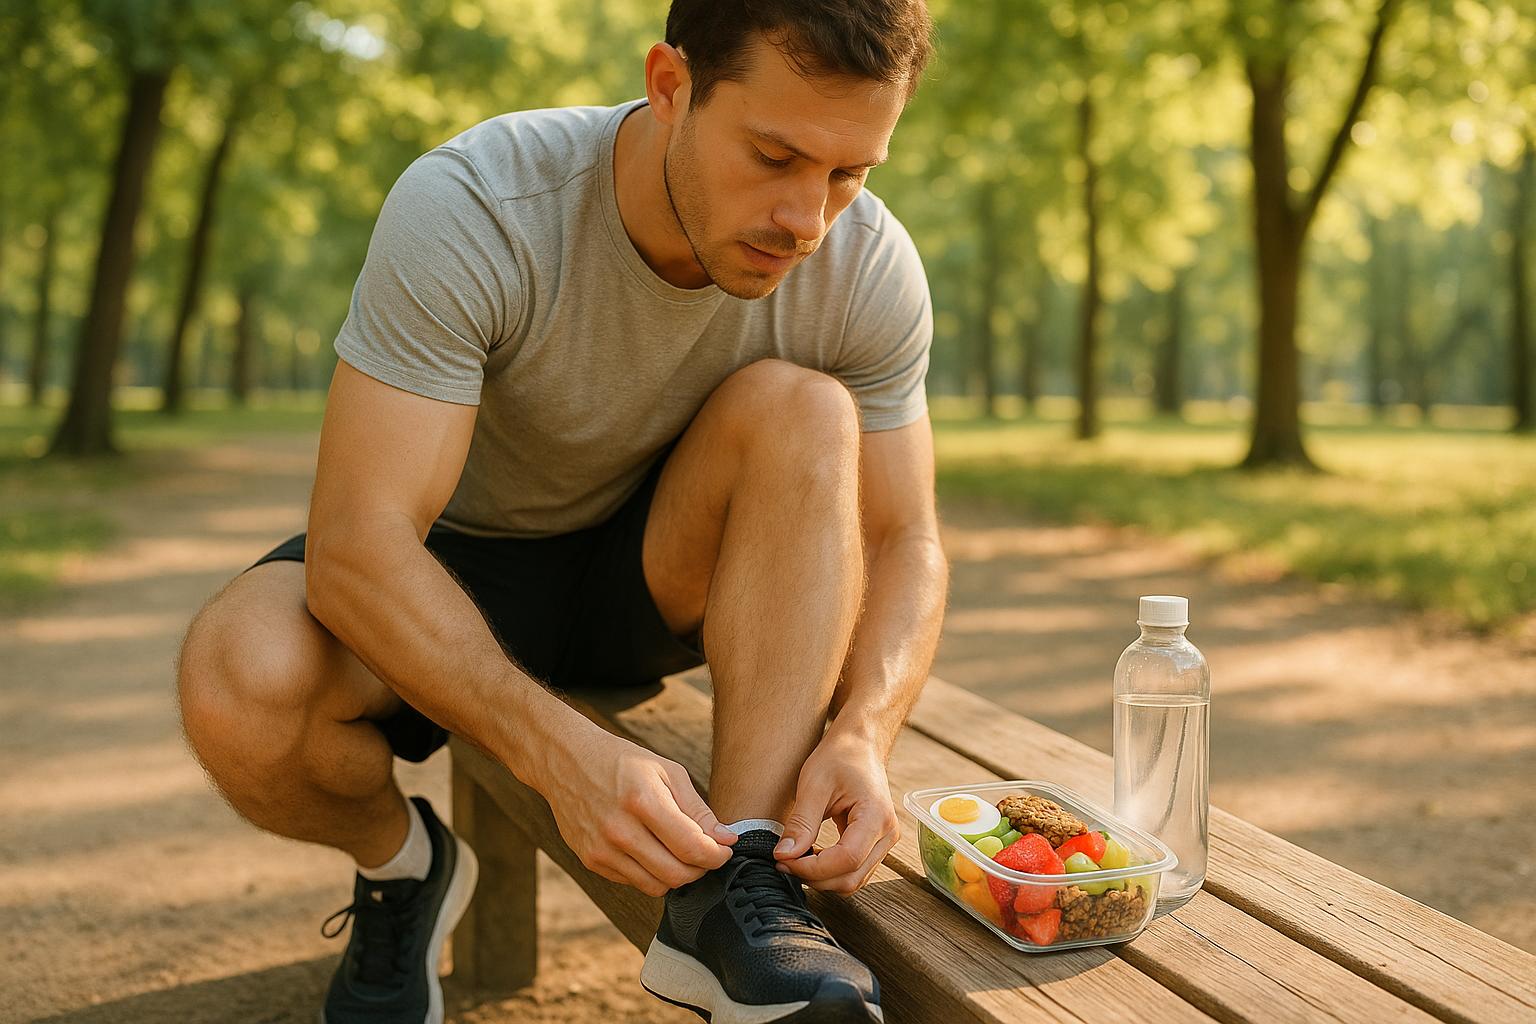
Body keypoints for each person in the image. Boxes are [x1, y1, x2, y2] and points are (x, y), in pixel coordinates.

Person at [174, 1, 945, 1021]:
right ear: (670, 87)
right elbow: (359, 547)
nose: (808, 218)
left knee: (805, 409)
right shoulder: (478, 203)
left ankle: (735, 887)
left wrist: (863, 731)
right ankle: (404, 870)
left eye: (850, 174)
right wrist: (558, 758)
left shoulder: (868, 267)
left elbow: (905, 539)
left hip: (652, 578)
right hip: (448, 564)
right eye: (774, 155)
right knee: (238, 679)